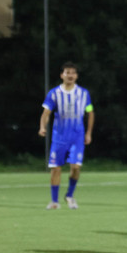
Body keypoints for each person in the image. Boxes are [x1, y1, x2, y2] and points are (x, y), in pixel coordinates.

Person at [38, 61, 94, 210]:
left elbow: (90, 112)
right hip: (59, 137)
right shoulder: (54, 93)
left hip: (77, 136)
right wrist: (42, 126)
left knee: (75, 167)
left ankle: (69, 195)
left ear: (76, 76)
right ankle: (54, 201)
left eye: (73, 73)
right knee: (56, 168)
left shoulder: (84, 93)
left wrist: (88, 133)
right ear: (62, 75)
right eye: (67, 72)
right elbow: (46, 112)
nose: (70, 75)